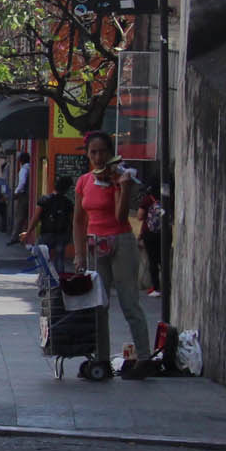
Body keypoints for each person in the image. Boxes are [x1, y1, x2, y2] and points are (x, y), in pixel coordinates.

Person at [74, 130, 154, 381]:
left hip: (121, 241)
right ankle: (102, 359)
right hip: (95, 243)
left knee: (129, 302)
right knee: (98, 304)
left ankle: (144, 358)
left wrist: (123, 187)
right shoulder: (84, 181)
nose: (98, 157)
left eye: (103, 152)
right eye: (93, 152)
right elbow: (78, 220)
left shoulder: (118, 178)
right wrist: (78, 254)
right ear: (88, 154)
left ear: (111, 153)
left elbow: (120, 217)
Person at [27, 174, 76, 270]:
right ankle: (60, 279)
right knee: (59, 258)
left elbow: (36, 217)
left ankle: (45, 277)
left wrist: (28, 231)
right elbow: (72, 220)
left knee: (42, 257)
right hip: (62, 234)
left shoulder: (44, 200)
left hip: (46, 232)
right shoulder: (68, 202)